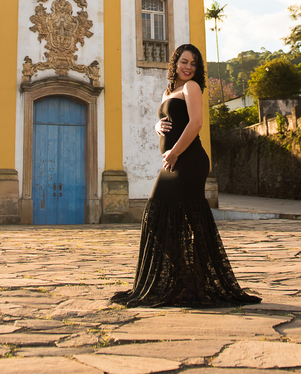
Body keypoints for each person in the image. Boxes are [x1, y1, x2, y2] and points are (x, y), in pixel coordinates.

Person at [111, 43, 260, 307]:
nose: (188, 67)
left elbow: (196, 123)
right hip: (175, 161)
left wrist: (174, 153)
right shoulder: (170, 90)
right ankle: (182, 280)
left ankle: (193, 282)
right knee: (163, 218)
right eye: (184, 62)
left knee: (174, 216)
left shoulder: (192, 88)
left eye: (193, 63)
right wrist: (158, 124)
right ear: (175, 63)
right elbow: (168, 119)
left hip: (189, 161)